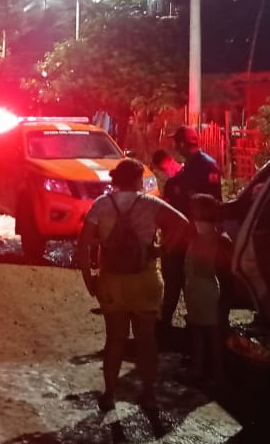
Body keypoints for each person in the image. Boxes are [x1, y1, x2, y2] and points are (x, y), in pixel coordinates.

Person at [77, 158, 190, 412]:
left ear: (117, 180)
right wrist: (163, 250)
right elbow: (182, 224)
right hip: (146, 281)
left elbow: (83, 245)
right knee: (146, 341)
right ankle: (148, 393)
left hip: (112, 283)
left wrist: (89, 280)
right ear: (138, 180)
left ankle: (109, 394)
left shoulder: (102, 205)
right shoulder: (150, 204)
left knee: (115, 340)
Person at [160, 126, 223, 340]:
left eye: (176, 143)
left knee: (184, 280)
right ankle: (185, 327)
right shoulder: (195, 166)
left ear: (181, 144)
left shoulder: (204, 166)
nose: (174, 147)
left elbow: (214, 204)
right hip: (187, 233)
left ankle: (194, 330)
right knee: (180, 279)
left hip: (192, 235)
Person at [184, 194, 232, 382]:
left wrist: (225, 298)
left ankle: (215, 371)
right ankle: (204, 368)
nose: (192, 213)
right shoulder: (201, 234)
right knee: (201, 330)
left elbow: (225, 274)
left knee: (211, 332)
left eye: (196, 209)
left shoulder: (216, 238)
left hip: (209, 289)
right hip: (198, 288)